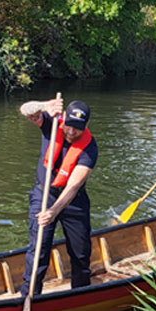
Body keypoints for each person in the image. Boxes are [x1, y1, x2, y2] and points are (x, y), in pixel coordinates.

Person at [19, 97, 98, 296]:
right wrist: (44, 106)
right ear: (64, 119)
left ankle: (80, 297)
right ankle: (29, 297)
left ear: (86, 125)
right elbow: (25, 110)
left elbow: (73, 186)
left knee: (80, 253)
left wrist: (54, 212)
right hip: (44, 194)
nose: (71, 132)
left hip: (73, 200)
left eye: (77, 128)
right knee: (39, 250)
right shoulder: (51, 123)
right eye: (69, 126)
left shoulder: (89, 148)